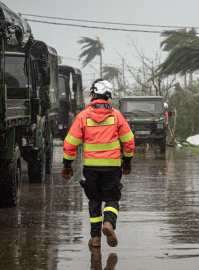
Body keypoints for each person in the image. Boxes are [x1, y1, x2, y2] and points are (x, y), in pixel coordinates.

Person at [61, 79, 135, 249]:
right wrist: (127, 160)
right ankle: (109, 223)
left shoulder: (82, 117)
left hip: (91, 168)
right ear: (108, 96)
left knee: (94, 201)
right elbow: (129, 141)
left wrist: (67, 164)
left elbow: (70, 143)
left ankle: (95, 238)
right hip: (112, 167)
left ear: (93, 94)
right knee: (112, 198)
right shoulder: (117, 116)